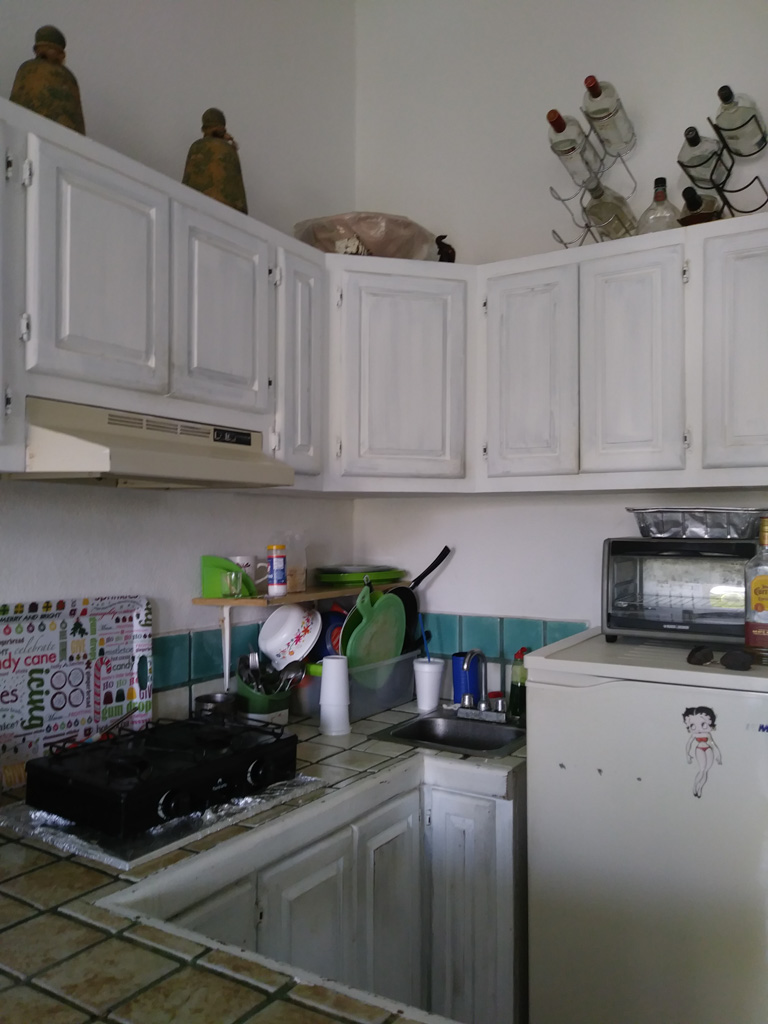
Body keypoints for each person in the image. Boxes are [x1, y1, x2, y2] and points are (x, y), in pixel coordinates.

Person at [683, 705, 722, 798]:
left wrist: (718, 755)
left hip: (708, 750)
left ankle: (700, 787)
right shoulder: (694, 735)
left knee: (706, 771)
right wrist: (687, 754)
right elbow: (688, 745)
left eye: (703, 724)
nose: (698, 728)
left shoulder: (708, 734)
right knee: (702, 770)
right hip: (699, 749)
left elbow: (712, 744)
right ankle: (695, 786)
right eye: (692, 725)